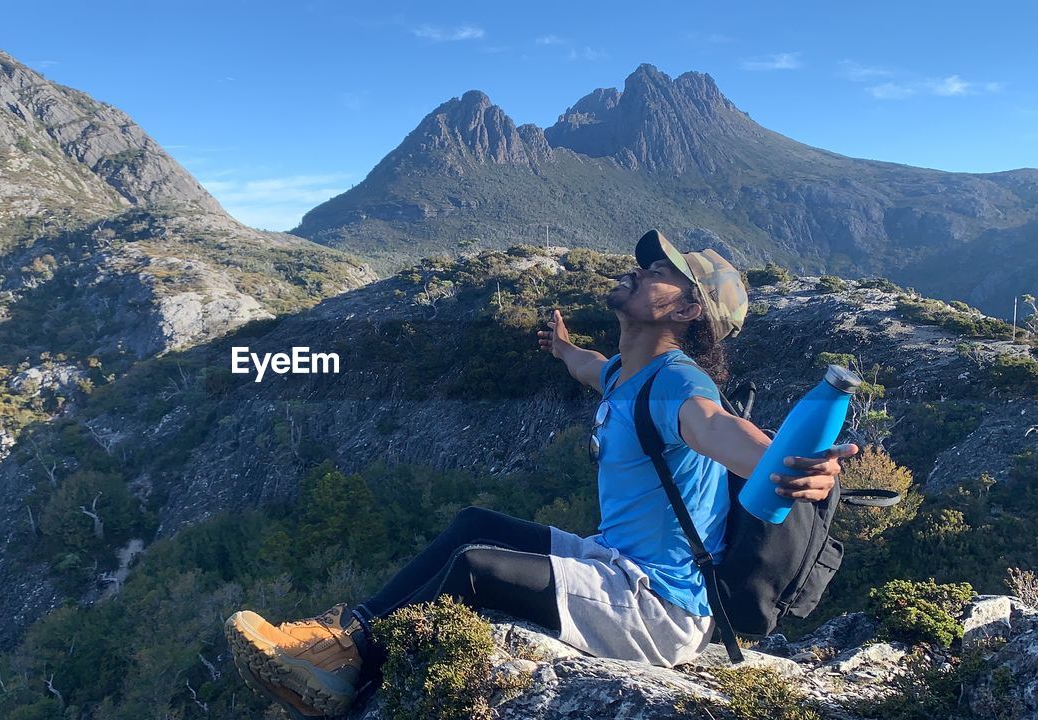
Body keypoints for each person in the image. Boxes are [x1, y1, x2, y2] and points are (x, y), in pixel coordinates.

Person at [224, 229, 859, 718]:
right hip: (616, 561)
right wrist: (562, 348)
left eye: (662, 272)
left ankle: (343, 672)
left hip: (661, 606)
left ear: (688, 312)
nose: (642, 271)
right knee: (474, 522)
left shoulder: (678, 386)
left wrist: (799, 470)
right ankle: (347, 633)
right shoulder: (622, 373)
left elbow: (725, 434)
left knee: (476, 566)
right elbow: (590, 368)